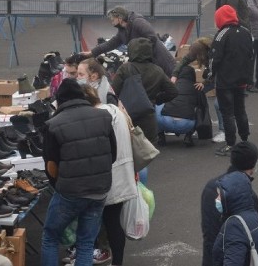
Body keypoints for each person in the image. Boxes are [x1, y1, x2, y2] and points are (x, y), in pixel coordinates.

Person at [42, 79, 117, 266]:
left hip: (70, 192)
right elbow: (113, 155)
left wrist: (59, 185)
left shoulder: (53, 124)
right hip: (99, 190)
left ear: (59, 101)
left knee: (50, 236)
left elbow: (51, 167)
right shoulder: (103, 117)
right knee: (86, 242)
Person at [82, 85, 134, 266]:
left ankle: (95, 255)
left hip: (107, 178)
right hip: (122, 174)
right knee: (113, 223)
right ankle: (117, 262)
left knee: (96, 222)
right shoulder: (115, 111)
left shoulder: (98, 117)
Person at [201, 142, 258, 266]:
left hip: (211, 257)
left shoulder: (211, 186)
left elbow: (208, 230)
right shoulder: (249, 197)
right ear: (252, 166)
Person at [111, 37, 178, 142]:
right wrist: (156, 99)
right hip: (148, 116)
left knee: (126, 150)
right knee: (146, 152)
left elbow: (113, 91)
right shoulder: (157, 70)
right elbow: (173, 91)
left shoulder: (125, 68)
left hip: (127, 115)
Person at [209, 5, 254, 157]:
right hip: (242, 79)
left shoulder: (222, 34)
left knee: (227, 112)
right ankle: (245, 139)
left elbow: (214, 58)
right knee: (240, 110)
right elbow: (251, 55)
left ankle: (230, 143)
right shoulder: (246, 32)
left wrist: (209, 74)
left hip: (225, 81)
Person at [86, 6, 176, 76]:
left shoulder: (138, 22)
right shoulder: (122, 31)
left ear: (120, 18)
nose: (112, 22)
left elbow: (152, 37)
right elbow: (110, 44)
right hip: (149, 62)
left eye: (113, 20)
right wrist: (92, 52)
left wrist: (138, 51)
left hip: (160, 58)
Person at [157, 39, 208, 147]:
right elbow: (202, 108)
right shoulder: (197, 88)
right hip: (186, 125)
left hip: (165, 122)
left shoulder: (170, 86)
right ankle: (188, 136)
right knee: (197, 108)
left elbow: (157, 99)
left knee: (158, 104)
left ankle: (160, 136)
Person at [212, 167, 258, 266]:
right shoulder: (254, 217)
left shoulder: (234, 226)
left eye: (220, 195)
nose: (217, 199)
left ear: (230, 197)